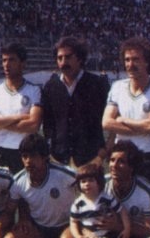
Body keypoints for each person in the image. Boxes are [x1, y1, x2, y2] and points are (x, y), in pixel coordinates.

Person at [0, 133, 77, 238]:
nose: (28, 161)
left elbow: (88, 181)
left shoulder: (63, 173)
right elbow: (9, 211)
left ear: (44, 157)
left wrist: (82, 218)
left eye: (33, 156)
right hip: (40, 230)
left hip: (66, 227)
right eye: (24, 156)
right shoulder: (19, 181)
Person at [102, 36, 150, 199]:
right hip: (122, 157)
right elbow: (106, 122)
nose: (130, 64)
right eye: (127, 60)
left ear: (147, 62)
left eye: (136, 59)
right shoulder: (117, 87)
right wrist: (143, 127)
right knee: (119, 204)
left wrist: (123, 120)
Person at [41, 36, 111, 169]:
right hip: (59, 159)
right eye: (60, 58)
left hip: (91, 159)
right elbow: (48, 124)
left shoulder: (97, 85)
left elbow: (111, 123)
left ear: (80, 58)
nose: (63, 62)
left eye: (68, 57)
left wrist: (101, 155)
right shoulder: (50, 87)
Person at [0, 43, 43, 173]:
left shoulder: (34, 90)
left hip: (23, 151)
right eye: (4, 60)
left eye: (12, 60)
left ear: (23, 63)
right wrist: (19, 118)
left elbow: (33, 125)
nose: (6, 64)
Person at [102, 141, 150, 238]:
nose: (114, 165)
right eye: (112, 160)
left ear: (132, 167)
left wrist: (119, 225)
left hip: (136, 237)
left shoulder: (146, 191)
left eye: (121, 161)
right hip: (106, 233)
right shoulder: (101, 185)